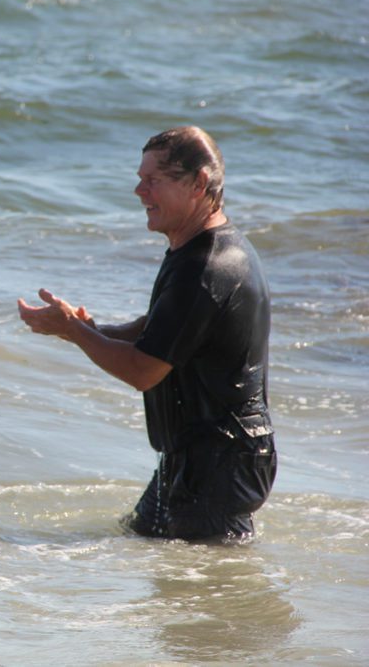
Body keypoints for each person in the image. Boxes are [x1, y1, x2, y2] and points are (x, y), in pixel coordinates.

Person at [18, 126, 277, 542]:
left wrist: (74, 332)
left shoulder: (207, 266)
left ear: (198, 184)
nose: (139, 191)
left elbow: (144, 370)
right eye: (141, 179)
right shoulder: (194, 249)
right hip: (200, 454)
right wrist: (87, 331)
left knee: (206, 591)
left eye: (153, 180)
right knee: (144, 547)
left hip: (221, 459)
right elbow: (156, 329)